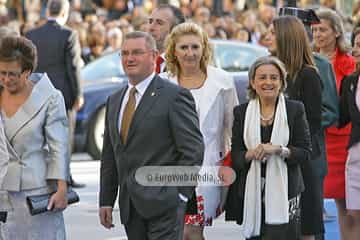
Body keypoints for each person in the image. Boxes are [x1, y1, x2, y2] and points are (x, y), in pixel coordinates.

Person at [98, 31, 204, 240]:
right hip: (130, 208)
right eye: (125, 53)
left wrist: (180, 194)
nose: (129, 58)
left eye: (137, 52)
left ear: (154, 56)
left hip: (165, 205)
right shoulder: (115, 100)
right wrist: (106, 200)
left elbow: (193, 151)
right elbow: (110, 156)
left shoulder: (174, 96)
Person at [160, 22, 238, 240]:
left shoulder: (222, 81)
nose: (190, 53)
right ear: (174, 51)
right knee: (177, 231)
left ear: (204, 48)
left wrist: (231, 164)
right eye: (183, 47)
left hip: (208, 165)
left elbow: (233, 128)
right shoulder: (163, 82)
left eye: (195, 47)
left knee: (192, 231)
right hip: (170, 168)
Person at [225, 56, 311, 239]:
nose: (268, 82)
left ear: (281, 82)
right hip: (252, 191)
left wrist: (279, 150)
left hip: (287, 191)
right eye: (262, 77)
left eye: (274, 77)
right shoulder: (241, 112)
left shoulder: (295, 109)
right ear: (253, 82)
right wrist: (250, 154)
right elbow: (236, 155)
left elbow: (305, 152)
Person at [0, 36, 69, 239]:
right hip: (3, 192)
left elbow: (59, 147)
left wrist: (62, 188)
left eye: (12, 74)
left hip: (36, 195)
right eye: (1, 73)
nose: (5, 79)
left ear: (27, 72)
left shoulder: (50, 98)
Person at [267, 16, 323, 240]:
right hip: (275, 160)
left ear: (285, 38)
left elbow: (314, 123)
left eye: (272, 33)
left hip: (300, 162)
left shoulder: (308, 75)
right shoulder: (274, 72)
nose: (267, 37)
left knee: (303, 228)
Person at [25, 0, 84, 188]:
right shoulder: (69, 34)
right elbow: (73, 67)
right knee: (64, 136)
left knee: (38, 136)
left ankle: (42, 175)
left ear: (48, 11)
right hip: (62, 92)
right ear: (65, 12)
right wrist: (78, 94)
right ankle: (64, 178)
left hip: (36, 91)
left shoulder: (31, 34)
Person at [312, 9, 356, 239]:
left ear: (336, 31)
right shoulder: (308, 61)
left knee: (346, 202)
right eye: (315, 30)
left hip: (344, 140)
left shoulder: (348, 63)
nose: (318, 34)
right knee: (312, 198)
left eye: (323, 29)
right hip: (318, 138)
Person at [335, 26, 360, 240]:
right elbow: (340, 118)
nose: (357, 49)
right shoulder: (350, 81)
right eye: (357, 44)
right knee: (353, 214)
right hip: (356, 156)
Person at [147, 4, 185, 73]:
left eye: (159, 23)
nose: (151, 28)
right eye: (150, 21)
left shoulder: (185, 63)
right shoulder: (138, 59)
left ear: (175, 30)